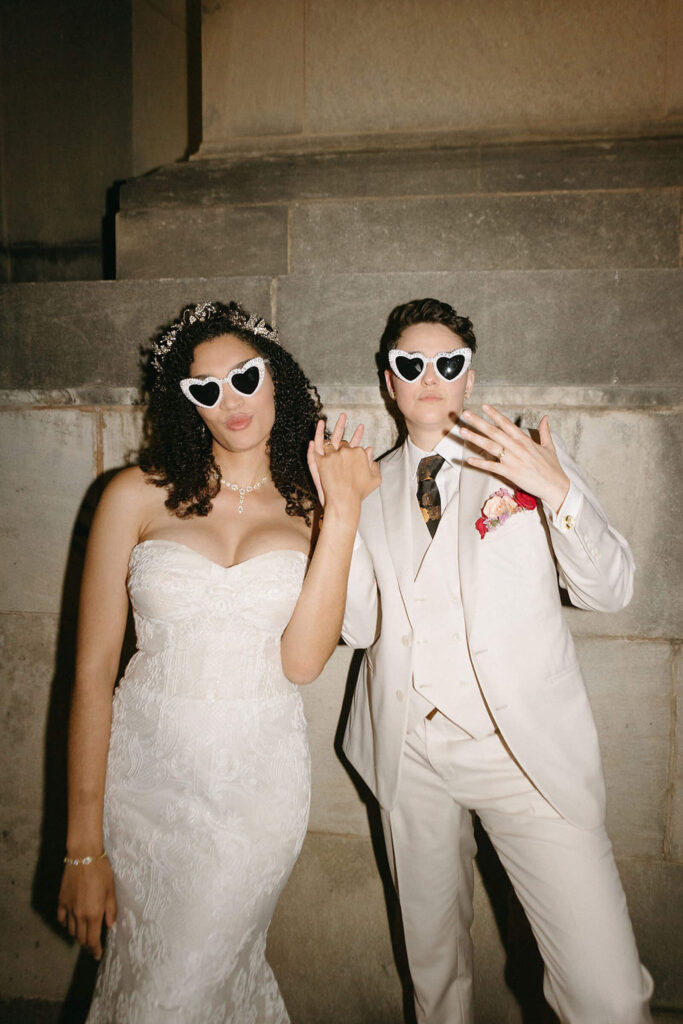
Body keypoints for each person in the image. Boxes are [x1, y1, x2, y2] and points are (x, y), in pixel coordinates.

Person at [57, 300, 379, 1022]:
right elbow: (90, 676)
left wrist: (344, 513)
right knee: (150, 982)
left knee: (171, 993)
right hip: (141, 787)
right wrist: (82, 847)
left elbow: (303, 664)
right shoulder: (132, 496)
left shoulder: (311, 510)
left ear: (277, 378)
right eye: (205, 388)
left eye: (245, 377)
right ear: (187, 402)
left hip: (254, 796)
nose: (230, 401)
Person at [340, 298, 653, 1023]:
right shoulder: (369, 486)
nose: (430, 376)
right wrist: (339, 511)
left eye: (447, 362)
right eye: (410, 363)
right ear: (389, 381)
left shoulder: (526, 459)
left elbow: (609, 591)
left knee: (605, 995)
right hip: (409, 751)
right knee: (434, 976)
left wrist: (556, 489)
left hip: (525, 755)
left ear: (470, 378)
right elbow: (356, 628)